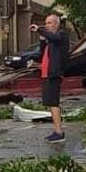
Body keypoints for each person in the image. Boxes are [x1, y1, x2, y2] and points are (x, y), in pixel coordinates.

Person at [30, 12, 69, 142]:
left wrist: (40, 30)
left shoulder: (62, 35)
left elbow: (55, 38)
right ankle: (56, 130)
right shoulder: (50, 40)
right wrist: (42, 40)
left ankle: (59, 132)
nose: (46, 26)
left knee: (53, 102)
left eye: (49, 23)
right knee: (50, 102)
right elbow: (41, 54)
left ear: (57, 24)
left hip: (54, 73)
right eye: (45, 23)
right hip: (47, 74)